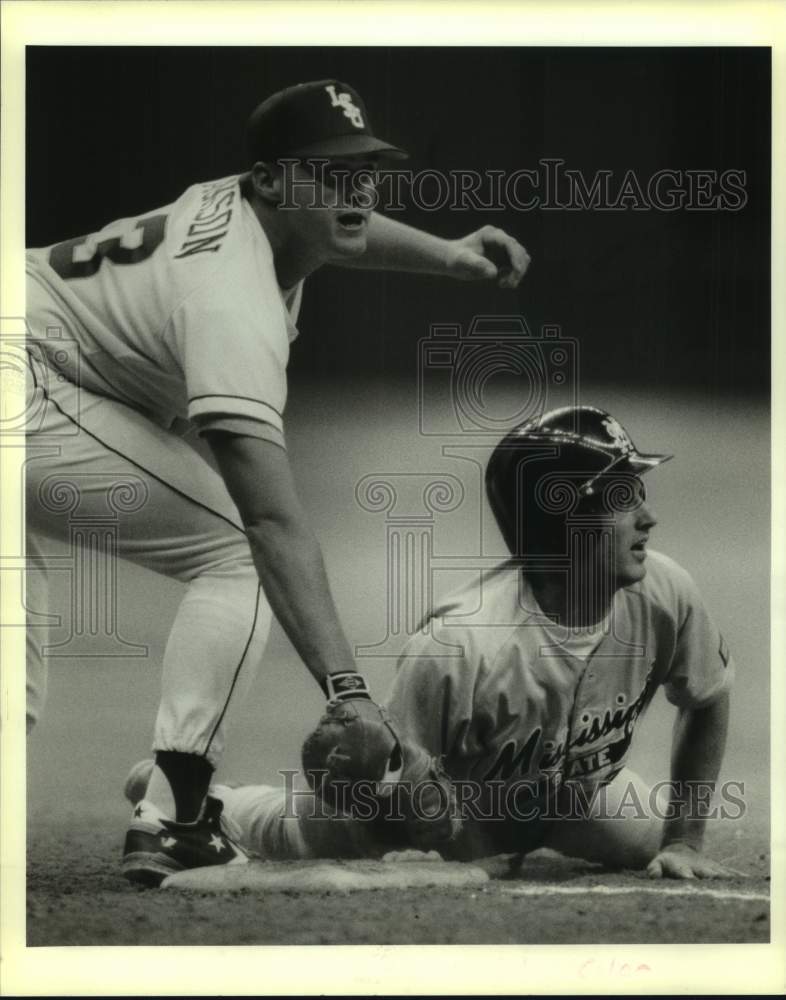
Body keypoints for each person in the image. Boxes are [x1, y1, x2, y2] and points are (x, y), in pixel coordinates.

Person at [24, 79, 530, 886]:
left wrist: (448, 255)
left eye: (366, 171)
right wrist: (350, 692)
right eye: (329, 173)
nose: (355, 190)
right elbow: (271, 523)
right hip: (22, 376)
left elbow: (345, 228)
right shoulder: (230, 300)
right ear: (267, 181)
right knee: (232, 551)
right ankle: (179, 815)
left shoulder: (259, 213)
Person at [124, 405, 738, 880]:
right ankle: (209, 801)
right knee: (338, 835)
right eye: (621, 500)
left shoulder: (665, 592)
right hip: (446, 812)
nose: (648, 519)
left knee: (656, 844)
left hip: (579, 799)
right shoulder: (460, 643)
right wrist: (456, 850)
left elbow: (708, 697)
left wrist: (684, 840)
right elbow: (392, 785)